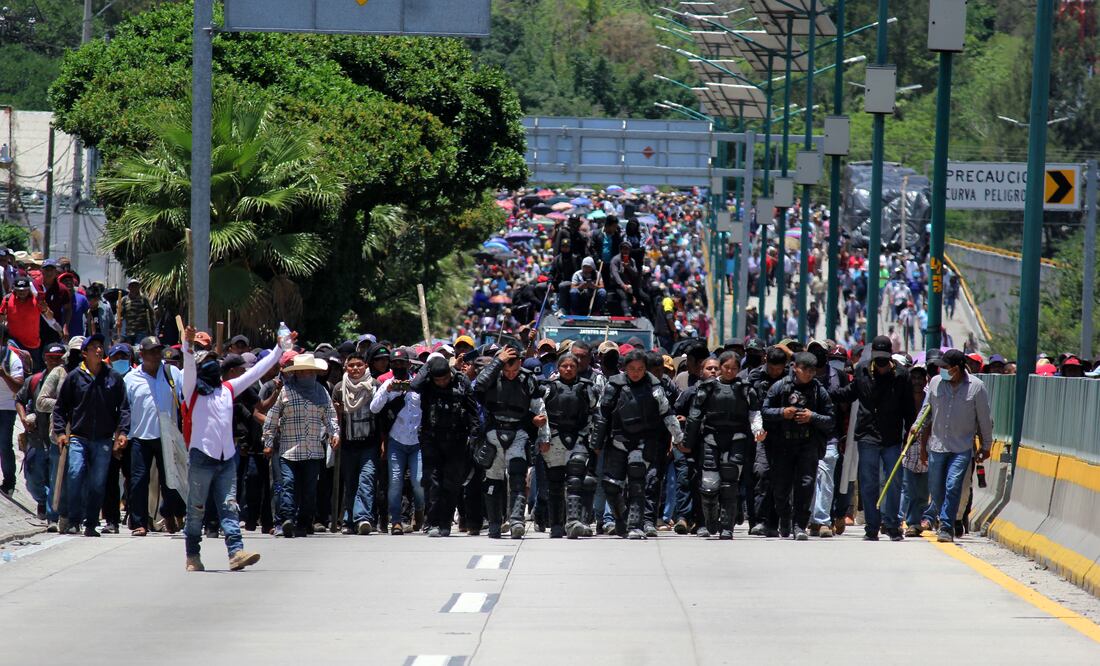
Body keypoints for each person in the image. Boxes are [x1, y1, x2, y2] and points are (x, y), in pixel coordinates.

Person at [180, 325, 281, 571]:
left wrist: (280, 348)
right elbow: (190, 365)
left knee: (229, 507)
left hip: (227, 459)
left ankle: (236, 552)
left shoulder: (228, 389)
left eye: (216, 362)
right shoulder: (191, 391)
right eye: (208, 363)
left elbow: (257, 370)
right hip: (202, 457)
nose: (213, 366)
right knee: (196, 511)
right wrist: (188, 345)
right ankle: (193, 555)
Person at [592, 349, 684, 539]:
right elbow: (603, 414)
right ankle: (620, 518)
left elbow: (666, 412)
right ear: (625, 368)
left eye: (640, 369)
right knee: (611, 485)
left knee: (637, 484)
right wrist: (596, 441)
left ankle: (635, 525)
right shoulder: (614, 385)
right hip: (618, 439)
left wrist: (678, 437)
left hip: (643, 441)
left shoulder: (654, 386)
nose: (636, 372)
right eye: (632, 368)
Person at [832, 335, 916, 541]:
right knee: (869, 483)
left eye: (883, 359)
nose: (879, 363)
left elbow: (908, 407)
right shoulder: (862, 370)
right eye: (876, 358)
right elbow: (850, 393)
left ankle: (892, 525)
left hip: (892, 437)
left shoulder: (902, 375)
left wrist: (910, 433)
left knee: (894, 482)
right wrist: (825, 393)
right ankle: (872, 526)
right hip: (867, 435)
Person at [51, 333, 130, 537]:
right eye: (93, 347)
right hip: (78, 436)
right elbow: (60, 408)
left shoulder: (113, 377)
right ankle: (74, 520)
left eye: (100, 346)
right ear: (84, 353)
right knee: (75, 474)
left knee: (97, 482)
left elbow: (124, 408)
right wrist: (60, 432)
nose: (98, 350)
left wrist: (122, 432)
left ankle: (92, 522)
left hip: (103, 438)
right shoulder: (75, 377)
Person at [683, 351, 763, 540]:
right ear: (720, 367)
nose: (730, 371)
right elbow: (695, 415)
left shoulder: (745, 389)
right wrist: (687, 441)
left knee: (730, 485)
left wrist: (758, 430)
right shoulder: (707, 387)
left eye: (734, 368)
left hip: (737, 439)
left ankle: (727, 527)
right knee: (709, 484)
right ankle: (710, 520)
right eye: (726, 367)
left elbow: (754, 413)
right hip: (711, 438)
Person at [473, 344, 549, 539]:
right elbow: (478, 386)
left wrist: (543, 435)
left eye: (514, 370)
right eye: (507, 370)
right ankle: (495, 523)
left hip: (518, 434)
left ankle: (516, 521)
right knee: (493, 481)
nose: (511, 374)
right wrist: (498, 361)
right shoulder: (492, 376)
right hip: (493, 434)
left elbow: (540, 409)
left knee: (517, 478)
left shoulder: (527, 379)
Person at [919, 349, 993, 543]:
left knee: (953, 486)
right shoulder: (935, 383)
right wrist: (915, 427)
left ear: (957, 368)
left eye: (945, 367)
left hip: (961, 447)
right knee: (936, 489)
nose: (941, 370)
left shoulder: (976, 387)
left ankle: (946, 525)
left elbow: (984, 419)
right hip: (937, 445)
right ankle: (943, 515)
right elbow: (926, 410)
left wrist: (986, 446)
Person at [262, 352, 339, 539]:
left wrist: (334, 433)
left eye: (308, 371)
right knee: (288, 484)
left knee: (309, 489)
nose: (305, 374)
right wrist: (268, 442)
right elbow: (272, 419)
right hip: (289, 450)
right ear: (295, 373)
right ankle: (287, 519)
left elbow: (330, 415)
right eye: (301, 371)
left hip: (313, 450)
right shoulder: (285, 391)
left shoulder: (321, 392)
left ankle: (304, 522)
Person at [761, 352, 834, 540]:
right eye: (805, 369)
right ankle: (784, 519)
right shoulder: (780, 387)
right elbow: (764, 411)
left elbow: (831, 420)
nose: (809, 374)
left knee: (806, 485)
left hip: (807, 445)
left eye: (812, 370)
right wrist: (782, 412)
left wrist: (812, 417)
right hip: (783, 445)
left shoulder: (819, 391)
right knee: (781, 488)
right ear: (795, 368)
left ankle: (799, 525)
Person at [124, 336, 186, 536]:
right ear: (141, 355)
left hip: (167, 436)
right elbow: (124, 409)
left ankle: (170, 516)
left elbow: (186, 397)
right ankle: (139, 522)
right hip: (139, 437)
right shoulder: (130, 378)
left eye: (158, 351)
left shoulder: (172, 373)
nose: (156, 355)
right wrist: (121, 434)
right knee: (139, 481)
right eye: (151, 351)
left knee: (170, 481)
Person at [413, 355, 479, 537]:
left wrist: (474, 438)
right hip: (431, 439)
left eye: (445, 378)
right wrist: (428, 365)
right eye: (438, 380)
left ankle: (445, 524)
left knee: (451, 483)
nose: (442, 382)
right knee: (432, 482)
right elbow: (414, 386)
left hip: (456, 440)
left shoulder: (461, 381)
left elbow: (473, 412)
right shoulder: (426, 383)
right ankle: (433, 522)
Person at [540, 353, 598, 538]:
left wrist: (591, 438)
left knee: (576, 482)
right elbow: (541, 415)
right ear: (558, 368)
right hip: (554, 440)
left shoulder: (587, 388)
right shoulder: (548, 388)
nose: (568, 369)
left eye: (572, 366)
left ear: (577, 367)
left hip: (579, 439)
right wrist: (544, 439)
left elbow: (595, 414)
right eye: (564, 366)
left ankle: (574, 522)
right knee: (555, 484)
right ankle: (556, 525)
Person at [370, 347, 427, 535]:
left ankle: (419, 510)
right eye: (395, 363)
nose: (398, 366)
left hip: (417, 441)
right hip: (396, 441)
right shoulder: (386, 383)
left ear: (408, 364)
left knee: (419, 482)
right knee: (395, 482)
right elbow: (374, 408)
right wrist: (387, 390)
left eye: (402, 363)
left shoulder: (418, 383)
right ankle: (396, 521)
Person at [14, 342, 64, 520]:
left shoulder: (67, 381)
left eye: (58, 359)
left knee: (55, 477)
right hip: (36, 437)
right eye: (51, 358)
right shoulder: (34, 381)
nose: (55, 362)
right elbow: (19, 399)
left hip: (58, 438)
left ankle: (52, 512)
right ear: (44, 358)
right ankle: (42, 501)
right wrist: (24, 419)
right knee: (33, 479)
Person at [331, 351, 378, 535]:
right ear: (346, 367)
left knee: (366, 481)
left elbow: (380, 414)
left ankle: (363, 518)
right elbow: (334, 416)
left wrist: (382, 442)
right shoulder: (339, 389)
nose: (355, 368)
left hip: (369, 442)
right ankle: (348, 520)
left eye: (359, 365)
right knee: (350, 482)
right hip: (348, 443)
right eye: (351, 365)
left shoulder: (374, 386)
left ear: (366, 366)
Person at [117, 278, 155, 344]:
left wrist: (152, 329)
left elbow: (151, 313)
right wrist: (118, 321)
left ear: (138, 287)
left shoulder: (144, 299)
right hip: (129, 331)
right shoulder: (124, 300)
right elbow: (120, 314)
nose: (133, 288)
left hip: (141, 331)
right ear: (128, 287)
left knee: (138, 349)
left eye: (136, 286)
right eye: (132, 286)